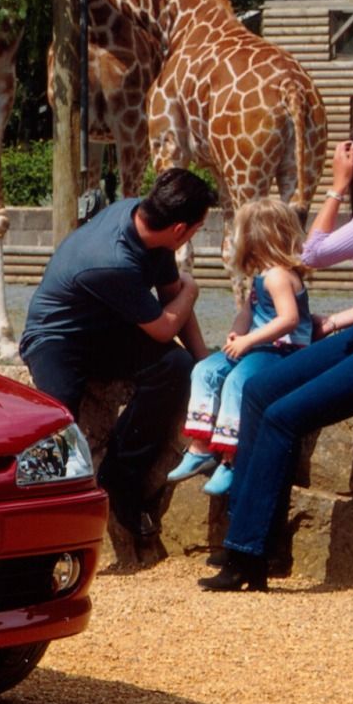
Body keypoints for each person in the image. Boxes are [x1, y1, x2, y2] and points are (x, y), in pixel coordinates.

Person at [201, 108, 353, 591]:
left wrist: (334, 187)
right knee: (260, 391)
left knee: (282, 416)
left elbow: (311, 256)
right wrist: (336, 320)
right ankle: (253, 542)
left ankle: (248, 556)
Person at [20, 167, 217, 544]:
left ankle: (120, 477)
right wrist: (194, 289)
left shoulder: (146, 221)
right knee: (58, 424)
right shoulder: (113, 260)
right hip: (56, 338)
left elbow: (169, 296)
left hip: (107, 328)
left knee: (177, 367)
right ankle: (40, 522)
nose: (194, 235)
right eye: (197, 229)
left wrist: (202, 362)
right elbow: (164, 324)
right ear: (180, 230)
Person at [168, 198, 313, 497]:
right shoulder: (262, 274)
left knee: (237, 382)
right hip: (258, 346)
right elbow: (248, 311)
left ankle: (232, 457)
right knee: (205, 369)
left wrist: (250, 340)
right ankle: (201, 446)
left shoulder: (278, 276)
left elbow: (289, 319)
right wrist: (237, 333)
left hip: (281, 350)